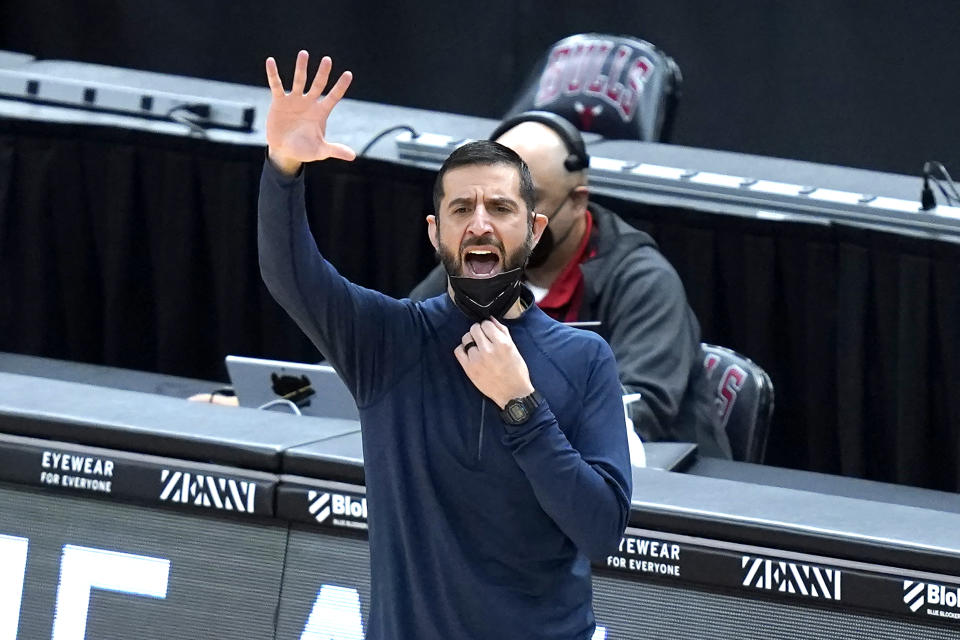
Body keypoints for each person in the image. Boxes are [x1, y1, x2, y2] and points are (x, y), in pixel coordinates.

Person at [258, 51, 631, 640]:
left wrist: (522, 406)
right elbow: (289, 274)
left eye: (501, 208)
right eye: (462, 208)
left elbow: (602, 531)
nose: (480, 223)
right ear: (437, 234)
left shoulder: (584, 361)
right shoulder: (387, 342)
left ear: (533, 231)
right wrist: (283, 169)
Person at [410, 112, 732, 459]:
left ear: (578, 201)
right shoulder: (479, 263)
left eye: (531, 204)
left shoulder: (644, 281)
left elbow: (636, 413)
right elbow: (407, 350)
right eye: (500, 204)